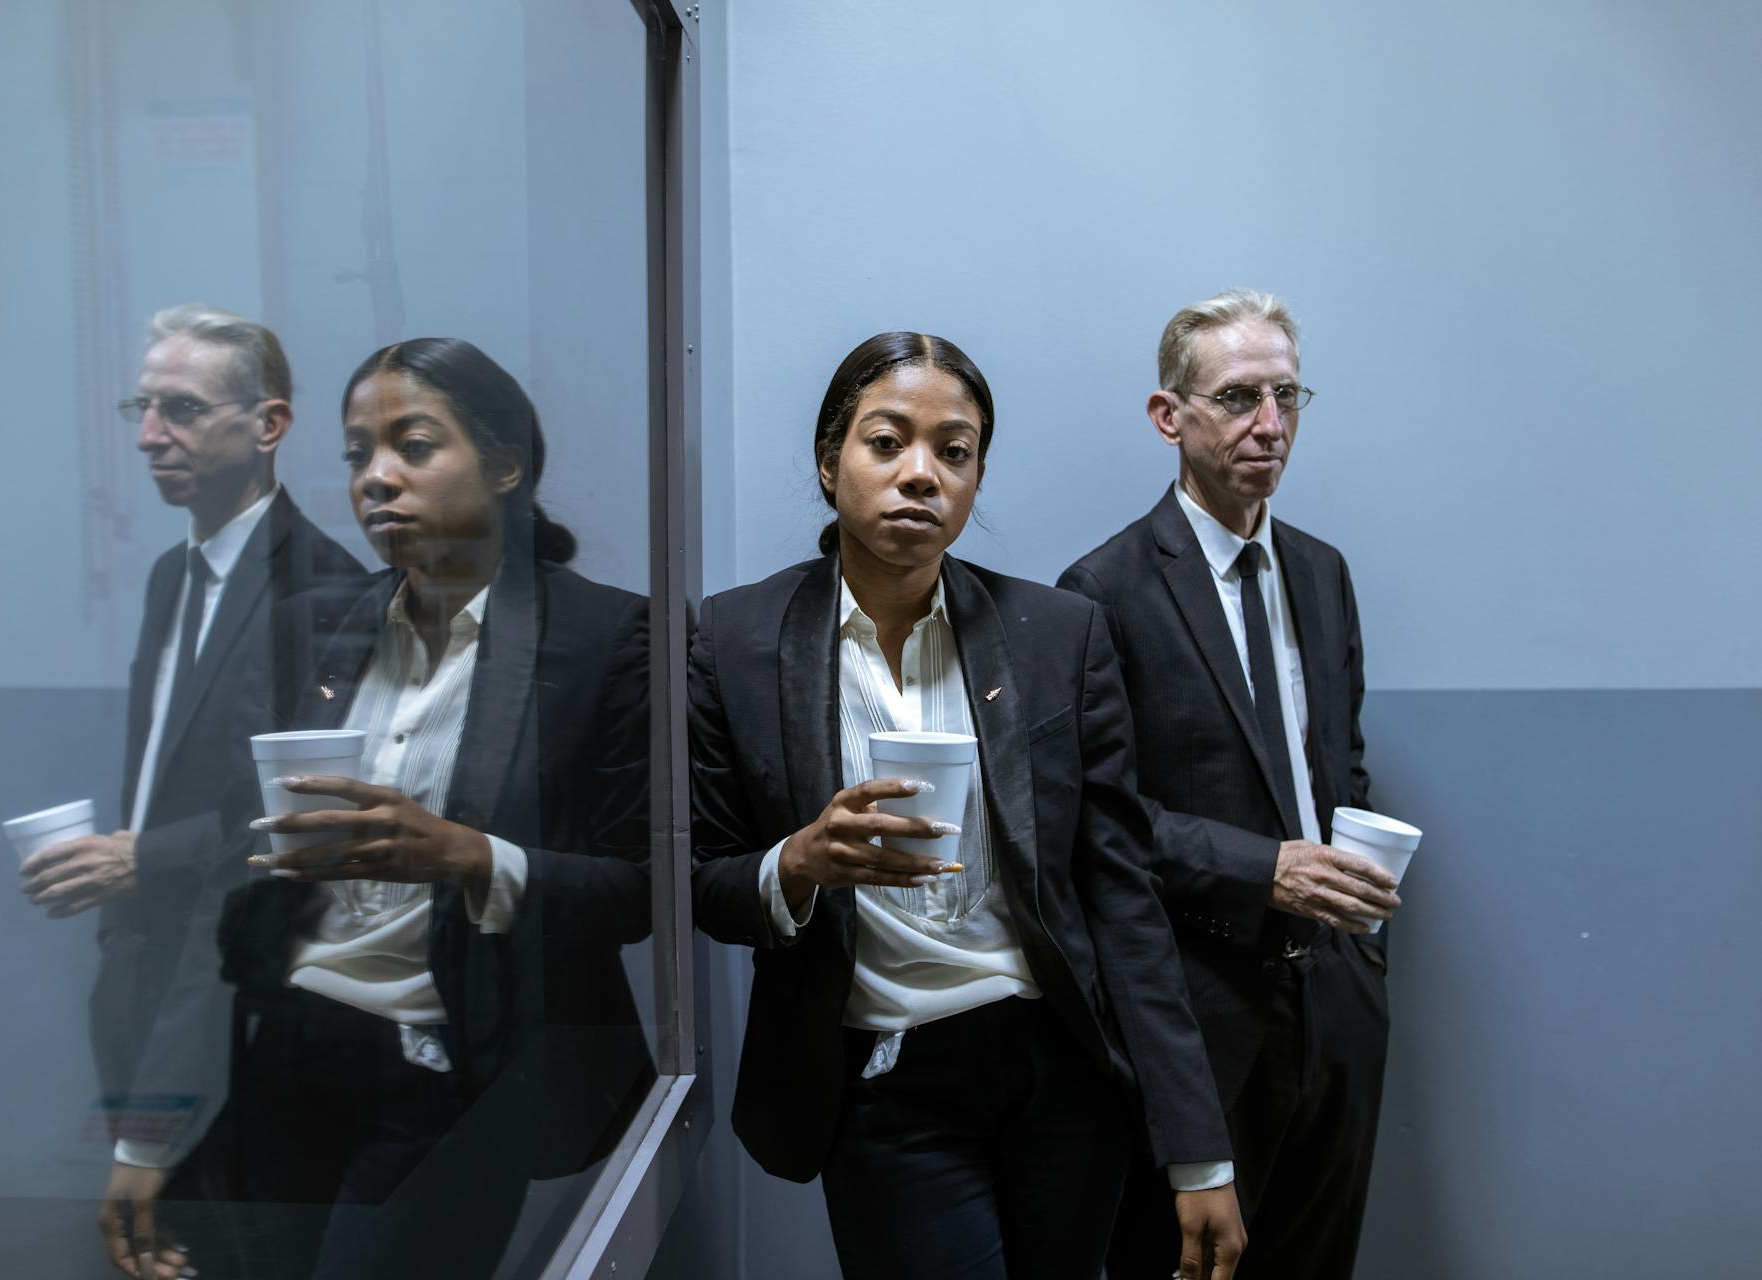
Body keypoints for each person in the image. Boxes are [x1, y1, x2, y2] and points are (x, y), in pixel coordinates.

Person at [689, 332, 1244, 1280]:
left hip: (1059, 1068)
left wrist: (1198, 1148)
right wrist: (801, 862)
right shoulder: (732, 639)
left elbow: (1120, 894)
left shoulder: (1056, 636)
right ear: (830, 464)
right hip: (881, 1071)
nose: (921, 474)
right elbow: (703, 881)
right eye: (886, 441)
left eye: (954, 451)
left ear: (977, 478)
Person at [97, 338, 654, 1280]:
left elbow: (646, 891)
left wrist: (469, 855)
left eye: (414, 446)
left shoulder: (607, 636)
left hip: (454, 1073)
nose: (376, 479)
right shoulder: (309, 628)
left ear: (507, 462)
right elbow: (225, 888)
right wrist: (148, 1136)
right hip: (279, 1060)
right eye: (358, 454)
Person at [1059, 290, 1399, 1279]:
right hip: (1199, 1013)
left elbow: (1340, 764)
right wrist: (1266, 868)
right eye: (1241, 396)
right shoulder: (1103, 590)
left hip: (1336, 1001)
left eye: (1287, 395)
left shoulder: (1323, 573)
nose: (1271, 424)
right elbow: (1098, 818)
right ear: (1171, 416)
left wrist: (1358, 938)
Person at [17, 305, 361, 1156]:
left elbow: (294, 820)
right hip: (140, 961)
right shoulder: (172, 573)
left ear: (268, 424)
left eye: (184, 408)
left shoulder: (325, 584)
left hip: (240, 978)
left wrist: (140, 857)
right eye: (144, 408)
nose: (150, 435)